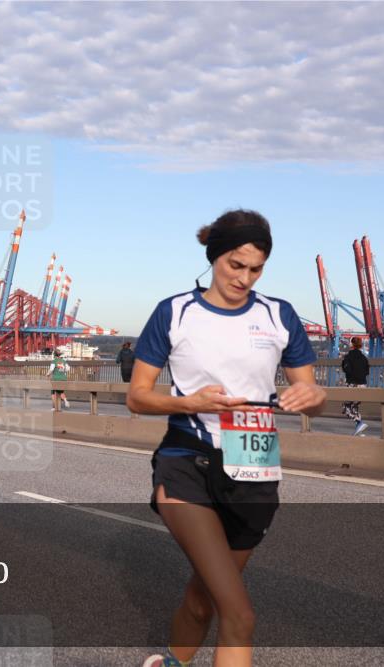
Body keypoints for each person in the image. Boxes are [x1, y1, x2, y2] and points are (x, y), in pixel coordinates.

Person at [128, 210, 326, 667]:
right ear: (214, 256)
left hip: (253, 466)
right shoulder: (175, 312)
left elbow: (312, 396)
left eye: (255, 269)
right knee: (239, 614)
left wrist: (312, 395)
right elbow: (137, 397)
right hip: (186, 462)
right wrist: (190, 402)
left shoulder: (279, 315)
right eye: (235, 265)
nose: (244, 277)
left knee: (204, 599)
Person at [340, 337, 370, 436]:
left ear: (352, 345)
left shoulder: (348, 357)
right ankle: (359, 430)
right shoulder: (364, 358)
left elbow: (346, 370)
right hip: (363, 385)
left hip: (352, 384)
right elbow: (366, 372)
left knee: (346, 406)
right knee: (355, 406)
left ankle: (359, 423)